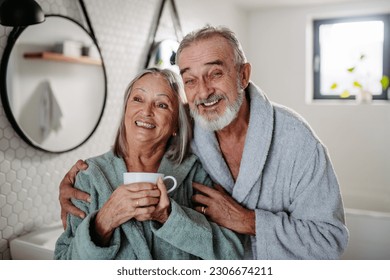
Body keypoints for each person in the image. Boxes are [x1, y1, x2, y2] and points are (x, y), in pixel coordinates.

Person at [59, 26, 349, 259]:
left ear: (243, 75)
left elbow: (328, 241)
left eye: (215, 73)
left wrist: (248, 221)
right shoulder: (191, 130)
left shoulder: (294, 141)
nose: (204, 91)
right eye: (191, 80)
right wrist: (91, 200)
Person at [54, 68, 244, 260]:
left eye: (161, 105)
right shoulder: (89, 176)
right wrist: (103, 222)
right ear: (126, 109)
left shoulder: (195, 174)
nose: (146, 111)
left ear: (176, 125)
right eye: (138, 99)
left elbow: (232, 254)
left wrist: (169, 217)